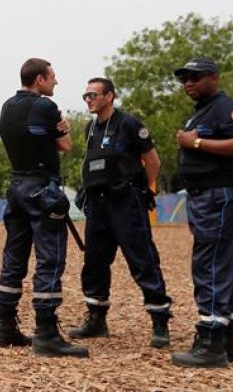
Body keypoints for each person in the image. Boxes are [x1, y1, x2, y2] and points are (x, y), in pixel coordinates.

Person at [0, 58, 87, 357]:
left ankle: (4, 326)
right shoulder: (45, 107)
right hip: (41, 188)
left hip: (16, 186)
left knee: (14, 256)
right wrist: (62, 128)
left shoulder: (6, 106)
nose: (56, 82)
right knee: (50, 257)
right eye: (53, 77)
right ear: (39, 80)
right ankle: (46, 332)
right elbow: (66, 146)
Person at [69, 77, 172, 348]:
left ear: (110, 96)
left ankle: (160, 320)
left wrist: (147, 190)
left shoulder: (129, 124)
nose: (88, 99)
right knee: (94, 262)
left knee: (142, 259)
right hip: (98, 205)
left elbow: (153, 161)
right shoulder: (90, 128)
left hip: (126, 201)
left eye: (93, 95)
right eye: (86, 95)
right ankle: (96, 318)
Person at [170, 58, 233, 368]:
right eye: (184, 79)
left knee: (210, 266)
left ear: (214, 78)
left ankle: (211, 342)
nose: (188, 82)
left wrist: (198, 142)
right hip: (204, 197)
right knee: (221, 264)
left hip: (216, 196)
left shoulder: (224, 106)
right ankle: (232, 339)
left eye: (195, 77)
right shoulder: (202, 110)